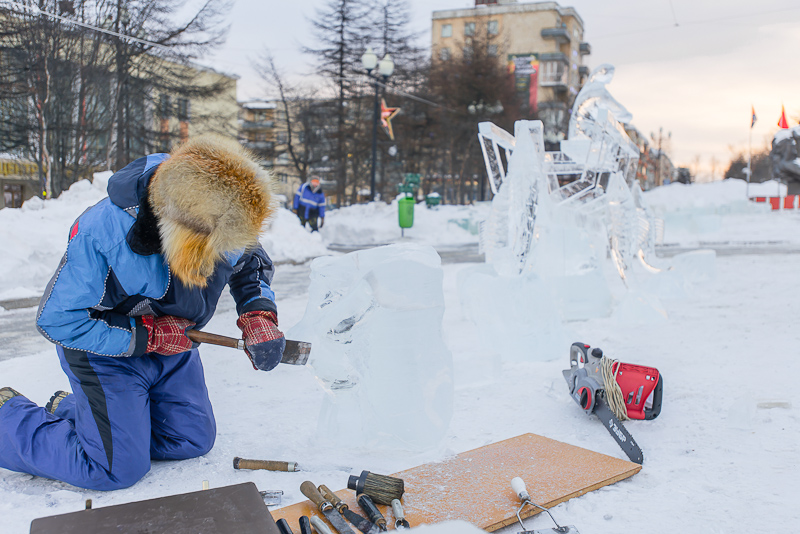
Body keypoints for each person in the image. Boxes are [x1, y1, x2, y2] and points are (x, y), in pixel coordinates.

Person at [0, 136, 285, 491]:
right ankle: (7, 418)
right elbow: (57, 320)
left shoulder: (223, 209)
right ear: (186, 233)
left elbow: (250, 264)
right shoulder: (103, 234)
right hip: (105, 351)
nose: (229, 252)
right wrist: (147, 336)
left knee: (191, 440)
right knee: (115, 469)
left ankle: (84, 416)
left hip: (175, 346)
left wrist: (258, 315)